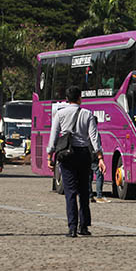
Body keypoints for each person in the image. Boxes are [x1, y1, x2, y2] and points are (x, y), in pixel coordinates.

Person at [47, 86, 106, 237]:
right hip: (83, 155)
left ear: (67, 98)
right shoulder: (88, 114)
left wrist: (50, 156)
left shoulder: (60, 114)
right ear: (80, 98)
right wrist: (100, 157)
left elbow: (53, 137)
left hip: (67, 154)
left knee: (70, 192)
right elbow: (94, 138)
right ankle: (84, 226)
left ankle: (72, 227)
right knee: (84, 191)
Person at [89, 114, 110, 204]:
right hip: (95, 156)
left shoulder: (85, 132)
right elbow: (98, 145)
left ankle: (89, 195)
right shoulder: (95, 133)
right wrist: (100, 157)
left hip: (87, 156)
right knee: (99, 175)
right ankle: (99, 195)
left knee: (88, 177)